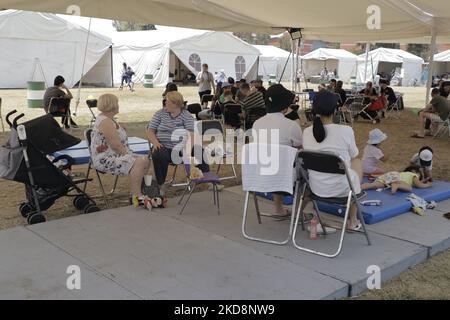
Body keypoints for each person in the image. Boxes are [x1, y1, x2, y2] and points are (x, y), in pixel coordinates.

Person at [302, 90, 363, 231]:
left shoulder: (306, 132)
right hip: (341, 189)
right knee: (357, 162)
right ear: (335, 109)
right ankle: (352, 221)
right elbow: (355, 155)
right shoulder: (346, 131)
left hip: (316, 187)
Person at [90, 94, 151, 207]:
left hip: (114, 155)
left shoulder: (109, 120)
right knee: (140, 161)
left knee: (146, 160)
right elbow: (116, 145)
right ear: (111, 105)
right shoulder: (105, 122)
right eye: (117, 103)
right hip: (105, 159)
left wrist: (119, 127)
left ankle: (140, 191)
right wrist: (130, 156)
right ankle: (136, 196)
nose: (118, 105)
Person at [252, 84, 303, 217]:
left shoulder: (257, 124)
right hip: (284, 180)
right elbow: (301, 150)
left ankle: (278, 209)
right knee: (299, 169)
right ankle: (297, 215)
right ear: (285, 106)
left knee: (275, 161)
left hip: (260, 176)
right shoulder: (291, 125)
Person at [147, 91, 209, 194]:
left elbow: (191, 135)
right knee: (158, 152)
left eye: (167, 101)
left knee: (198, 150)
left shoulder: (186, 115)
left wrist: (188, 151)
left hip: (183, 149)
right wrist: (156, 143)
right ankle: (160, 184)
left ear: (175, 103)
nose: (164, 103)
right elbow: (150, 131)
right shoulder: (160, 114)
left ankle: (208, 179)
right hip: (165, 147)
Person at [362, 166, 432, 195]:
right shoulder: (413, 175)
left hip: (391, 175)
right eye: (419, 175)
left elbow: (390, 176)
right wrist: (428, 185)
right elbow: (419, 185)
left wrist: (376, 176)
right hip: (397, 180)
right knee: (409, 188)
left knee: (375, 185)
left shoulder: (403, 174)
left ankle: (361, 187)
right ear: (414, 172)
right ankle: (396, 185)